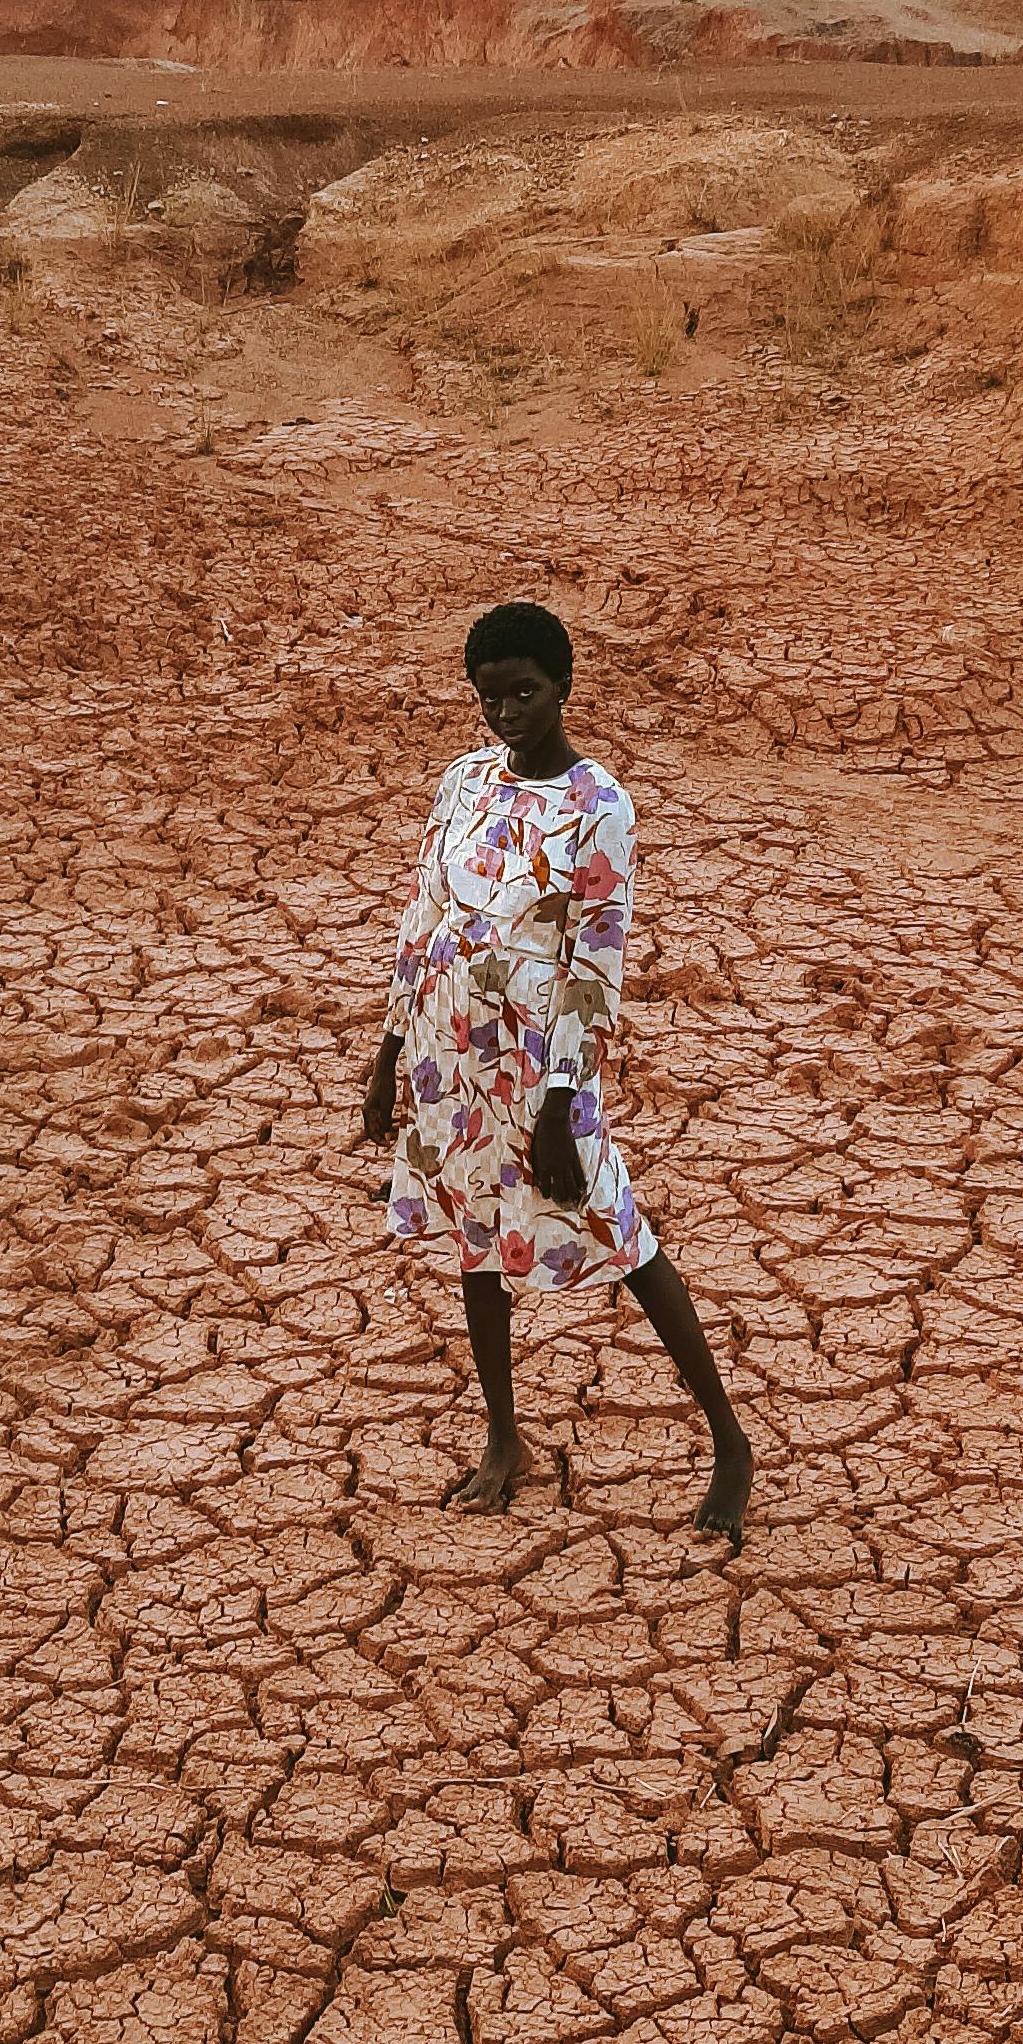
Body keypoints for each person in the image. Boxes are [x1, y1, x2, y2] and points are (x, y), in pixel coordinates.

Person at [362, 600, 755, 1540]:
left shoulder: (598, 808)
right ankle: (504, 1433)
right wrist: (384, 1056)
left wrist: (562, 1102)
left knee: (623, 1237)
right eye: (489, 697)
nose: (505, 714)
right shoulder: (462, 785)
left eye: (523, 693)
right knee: (473, 1237)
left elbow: (595, 965)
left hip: (538, 1072)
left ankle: (730, 1439)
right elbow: (421, 920)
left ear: (564, 686)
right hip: (446, 1056)